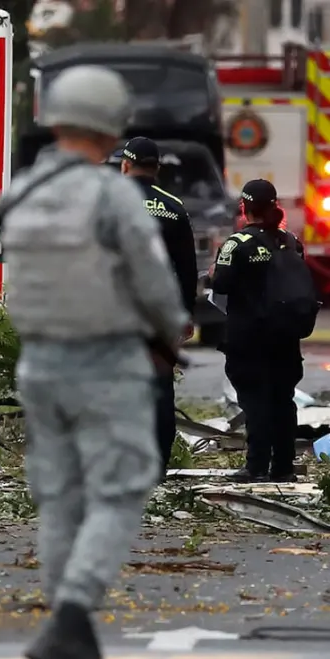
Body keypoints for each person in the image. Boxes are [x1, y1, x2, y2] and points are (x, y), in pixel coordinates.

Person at [0, 65, 189, 659]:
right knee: (121, 488)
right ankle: (74, 613)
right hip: (107, 362)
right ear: (112, 128)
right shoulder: (113, 197)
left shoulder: (21, 194)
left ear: (55, 119)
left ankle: (64, 627)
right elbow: (156, 284)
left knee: (59, 497)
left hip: (39, 364)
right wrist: (169, 335)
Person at [211, 179, 317, 483]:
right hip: (285, 336)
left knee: (255, 402)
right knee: (283, 400)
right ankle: (283, 467)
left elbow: (221, 285)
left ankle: (256, 466)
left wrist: (215, 272)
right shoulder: (291, 241)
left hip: (249, 339)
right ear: (275, 207)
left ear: (244, 208)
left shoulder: (237, 244)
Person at [118, 136, 198, 476]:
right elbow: (188, 268)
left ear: (125, 165)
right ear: (157, 168)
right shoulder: (174, 207)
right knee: (160, 389)